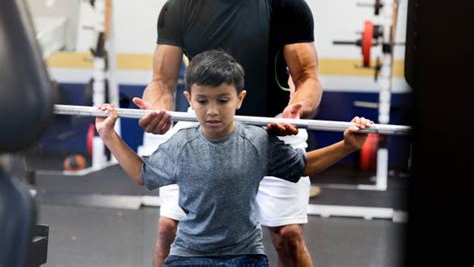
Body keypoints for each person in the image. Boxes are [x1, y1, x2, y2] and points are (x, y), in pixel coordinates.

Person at [132, 0, 323, 265]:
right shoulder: (179, 7)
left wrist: (296, 110)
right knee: (168, 230)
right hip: (203, 131)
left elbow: (307, 77)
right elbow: (162, 82)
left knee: (288, 237)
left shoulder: (285, 4)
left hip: (272, 130)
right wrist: (158, 110)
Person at [97, 50, 372, 266]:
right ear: (189, 100)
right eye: (203, 101)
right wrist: (108, 134)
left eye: (222, 100)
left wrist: (347, 145)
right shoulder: (181, 143)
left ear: (239, 99)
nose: (212, 111)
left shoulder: (257, 141)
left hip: (245, 257)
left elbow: (303, 166)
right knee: (166, 228)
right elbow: (141, 174)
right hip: (189, 257)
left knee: (289, 237)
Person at [284, 0, 321, 199]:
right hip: (282, 88)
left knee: (301, 134)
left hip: (296, 90)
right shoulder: (277, 20)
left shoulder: (300, 23)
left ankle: (304, 180)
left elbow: (307, 72)